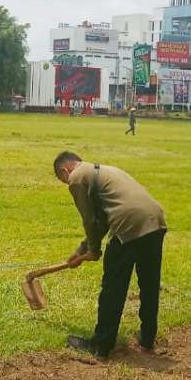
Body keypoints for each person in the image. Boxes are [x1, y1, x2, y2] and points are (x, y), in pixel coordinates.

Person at [53, 151, 167, 359]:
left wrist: (94, 250)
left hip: (128, 224)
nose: (66, 183)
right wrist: (82, 251)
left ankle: (101, 345)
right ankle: (147, 339)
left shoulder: (76, 178)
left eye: (63, 179)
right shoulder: (103, 171)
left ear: (65, 170)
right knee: (149, 284)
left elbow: (89, 220)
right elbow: (103, 220)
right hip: (155, 220)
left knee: (113, 288)